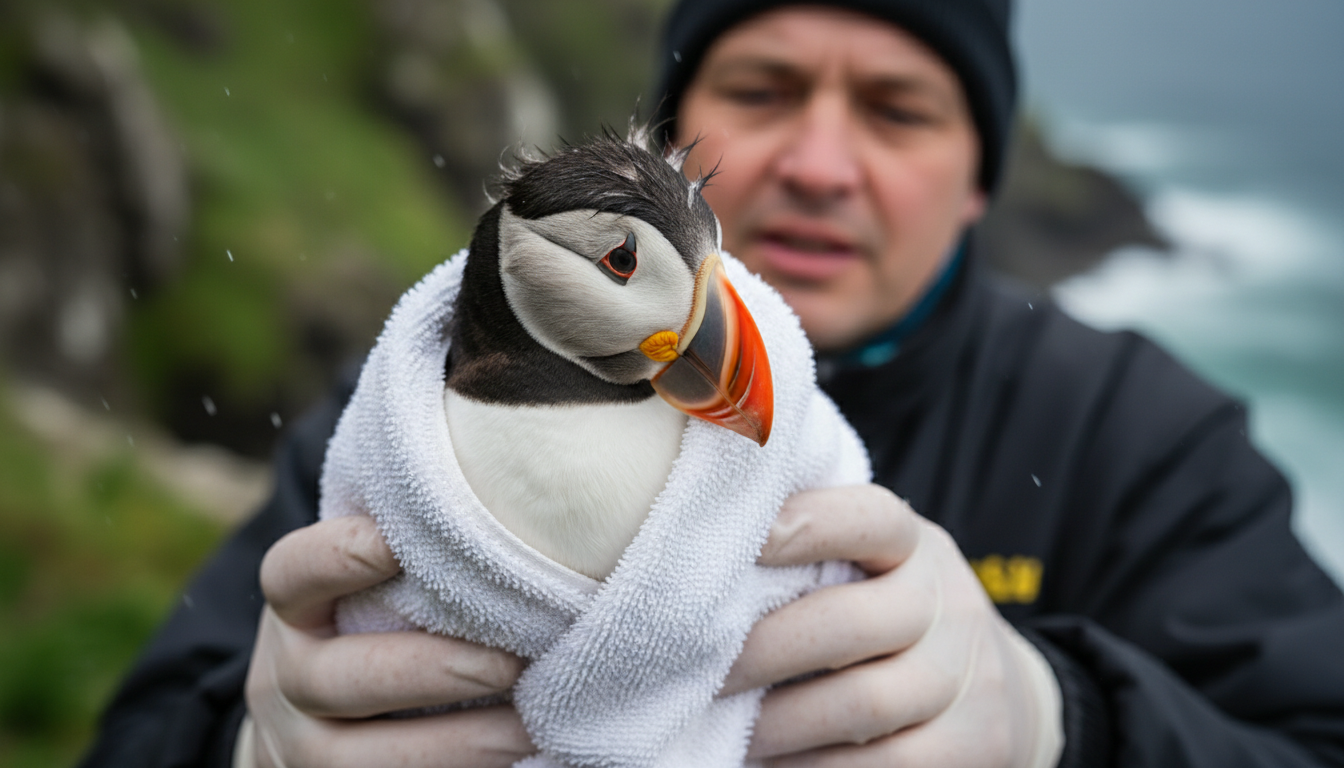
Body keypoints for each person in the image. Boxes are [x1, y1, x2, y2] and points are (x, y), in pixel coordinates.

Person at [78, 1, 1344, 766]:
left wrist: (1059, 721)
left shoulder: (1131, 433)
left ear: (980, 184)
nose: (820, 164)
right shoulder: (425, 421)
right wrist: (248, 742)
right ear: (669, 140)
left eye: (898, 109)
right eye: (762, 90)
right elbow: (131, 739)